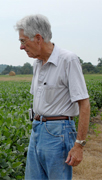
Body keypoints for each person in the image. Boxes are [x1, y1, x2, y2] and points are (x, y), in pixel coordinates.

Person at [15, 14, 90, 180]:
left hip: (58, 132)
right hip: (37, 128)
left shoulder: (67, 60)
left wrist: (79, 145)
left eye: (23, 41)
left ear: (38, 38)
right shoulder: (37, 63)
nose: (21, 47)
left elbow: (84, 104)